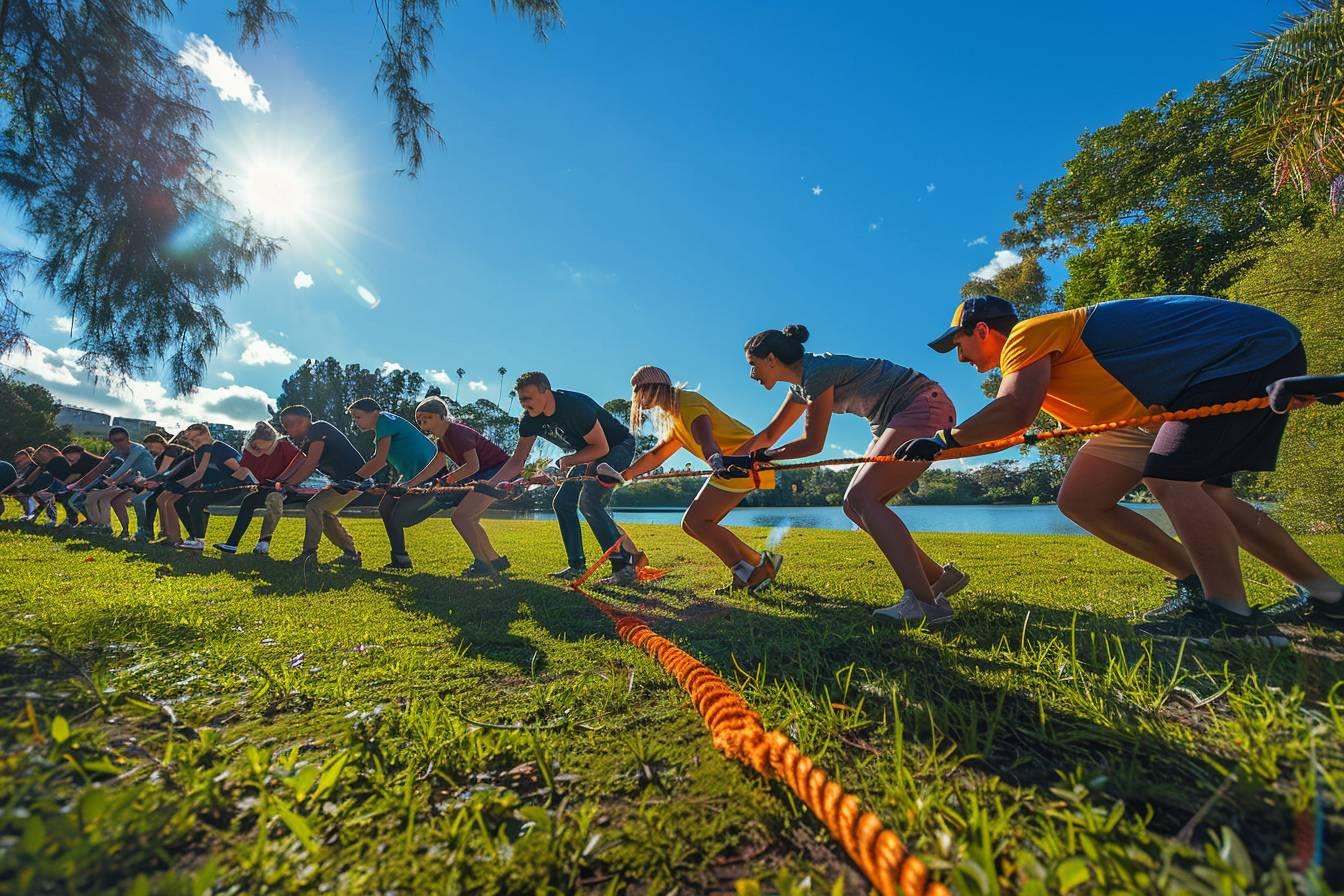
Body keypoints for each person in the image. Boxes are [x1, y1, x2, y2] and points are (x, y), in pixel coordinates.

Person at [905, 293, 1343, 644]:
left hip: (1241, 355)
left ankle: (1231, 615)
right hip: (1165, 403)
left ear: (982, 330)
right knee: (1084, 499)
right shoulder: (1056, 370)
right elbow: (1008, 430)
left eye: (958, 344)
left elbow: (1014, 411)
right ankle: (1327, 597)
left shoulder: (1025, 335)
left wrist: (944, 439)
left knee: (1173, 478)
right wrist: (939, 452)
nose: (959, 357)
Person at [736, 325, 968, 625]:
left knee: (863, 498)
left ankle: (926, 604)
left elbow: (812, 444)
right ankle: (939, 578)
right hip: (899, 416)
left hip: (922, 404)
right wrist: (731, 459)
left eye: (752, 366)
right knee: (853, 505)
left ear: (770, 359)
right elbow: (770, 434)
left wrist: (762, 457)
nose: (752, 375)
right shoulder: (801, 385)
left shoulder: (816, 373)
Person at [608, 366, 783, 592]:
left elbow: (705, 438)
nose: (637, 399)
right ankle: (763, 564)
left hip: (741, 462)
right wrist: (623, 476)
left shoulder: (687, 403)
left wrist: (714, 459)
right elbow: (657, 455)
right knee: (694, 524)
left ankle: (748, 573)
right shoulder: (674, 416)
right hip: (736, 464)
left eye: (638, 390)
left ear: (653, 387)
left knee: (696, 521)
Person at [484, 371, 641, 584]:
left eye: (528, 398)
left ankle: (624, 569)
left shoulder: (574, 407)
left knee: (589, 501)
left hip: (617, 447)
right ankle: (576, 566)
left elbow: (601, 447)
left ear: (546, 392)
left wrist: (565, 461)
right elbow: (517, 461)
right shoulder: (530, 421)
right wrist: (491, 483)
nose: (524, 404)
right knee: (562, 502)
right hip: (588, 453)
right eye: (521, 399)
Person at [378, 396, 512, 572]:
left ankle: (483, 564)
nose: (422, 421)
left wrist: (446, 481)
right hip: (487, 474)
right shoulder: (443, 440)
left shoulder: (457, 433)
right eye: (419, 419)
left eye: (428, 417)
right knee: (470, 520)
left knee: (461, 518)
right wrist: (409, 484)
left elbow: (473, 466)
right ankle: (495, 561)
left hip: (497, 473)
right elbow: (435, 465)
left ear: (442, 416)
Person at [274, 405, 368, 566]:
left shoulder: (318, 428)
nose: (290, 429)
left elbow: (310, 464)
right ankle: (351, 555)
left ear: (306, 421)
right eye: (286, 426)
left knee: (314, 507)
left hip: (357, 480)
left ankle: (309, 554)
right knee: (324, 513)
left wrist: (288, 484)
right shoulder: (309, 439)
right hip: (344, 483)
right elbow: (299, 461)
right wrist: (278, 481)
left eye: (293, 423)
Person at [213, 421, 304, 555]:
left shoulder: (284, 446)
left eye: (266, 449)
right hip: (265, 488)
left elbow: (302, 460)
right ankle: (232, 544)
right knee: (249, 501)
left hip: (287, 489)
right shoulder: (249, 451)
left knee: (274, 498)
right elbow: (243, 471)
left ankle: (264, 541)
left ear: (273, 442)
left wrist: (284, 480)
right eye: (258, 448)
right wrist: (220, 486)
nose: (261, 452)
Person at [165, 423, 250, 550]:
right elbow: (198, 475)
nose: (190, 441)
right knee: (181, 501)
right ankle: (194, 537)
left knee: (196, 502)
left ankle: (199, 541)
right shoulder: (202, 451)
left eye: (192, 438)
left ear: (203, 433)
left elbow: (242, 470)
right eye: (189, 439)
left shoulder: (218, 448)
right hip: (215, 487)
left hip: (236, 487)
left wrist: (223, 485)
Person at [81, 428, 161, 537]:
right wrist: (85, 485)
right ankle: (125, 531)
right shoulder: (117, 450)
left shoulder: (138, 449)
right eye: (114, 441)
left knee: (137, 501)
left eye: (121, 440)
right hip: (139, 483)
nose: (118, 443)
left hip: (153, 483)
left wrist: (111, 480)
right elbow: (104, 466)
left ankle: (143, 531)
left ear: (128, 439)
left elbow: (126, 466)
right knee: (116, 502)